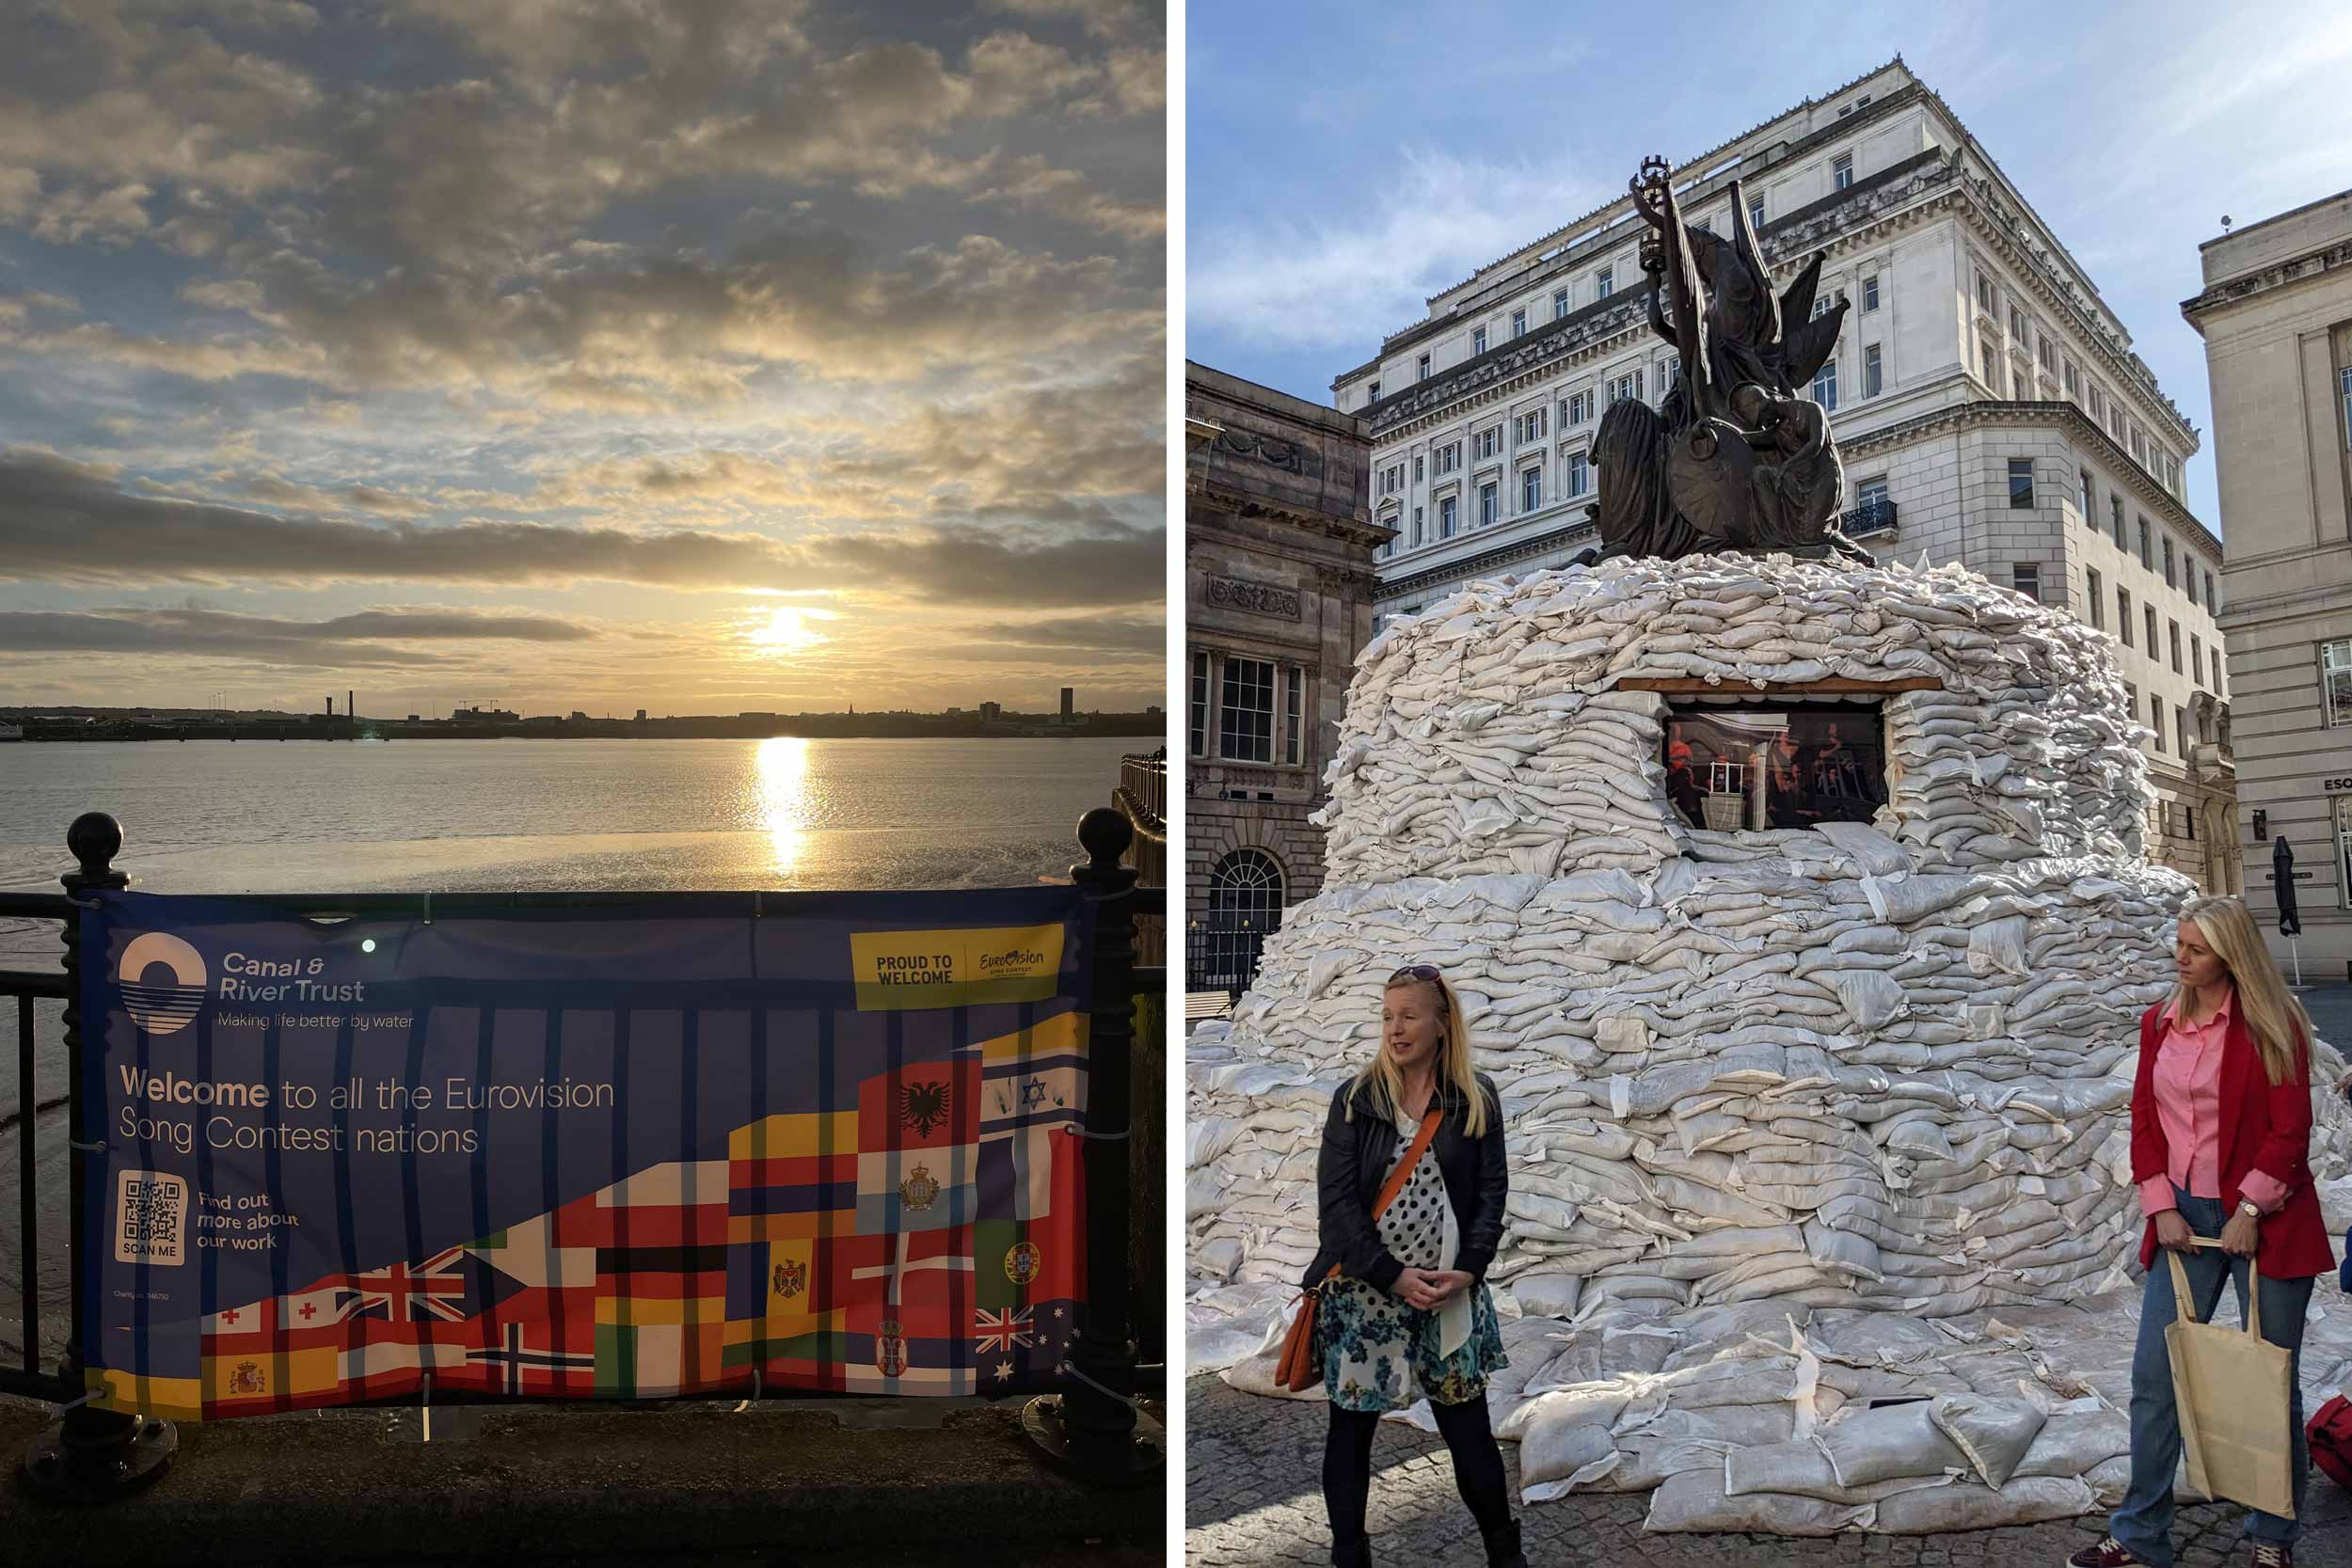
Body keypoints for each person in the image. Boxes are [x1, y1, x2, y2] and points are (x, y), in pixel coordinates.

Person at [2073, 896, 2334, 1568]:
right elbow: (2144, 1118)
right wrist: (2159, 1202)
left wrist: (2250, 1210)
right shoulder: (2160, 1022)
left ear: (2231, 956)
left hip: (2264, 1221)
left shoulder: (2274, 1023)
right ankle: (2139, 1536)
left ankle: (2271, 1539)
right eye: (2179, 944)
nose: (2180, 958)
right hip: (2183, 1220)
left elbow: (2290, 1132)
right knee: (2154, 1377)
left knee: (2270, 1381)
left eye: (2196, 948)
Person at [1308, 963, 1521, 1568]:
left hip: (1447, 1292)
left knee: (1468, 1430)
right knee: (1351, 1435)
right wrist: (1390, 1273)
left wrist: (1471, 1269)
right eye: (1387, 1017)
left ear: (1441, 1022)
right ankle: (1349, 1556)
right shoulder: (1356, 1100)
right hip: (1367, 1295)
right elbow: (1337, 1205)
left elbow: (1491, 1193)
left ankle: (1506, 1555)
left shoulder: (1474, 1099)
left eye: (1408, 1016)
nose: (1395, 1029)